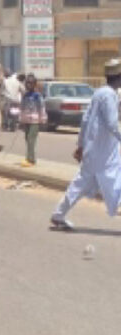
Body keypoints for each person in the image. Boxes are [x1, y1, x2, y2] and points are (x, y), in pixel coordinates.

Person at [50, 59, 121, 230]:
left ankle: (58, 214)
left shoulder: (98, 93)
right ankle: (58, 215)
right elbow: (112, 123)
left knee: (80, 184)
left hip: (94, 150)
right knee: (115, 182)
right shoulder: (110, 95)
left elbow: (85, 120)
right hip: (104, 152)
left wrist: (81, 144)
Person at [19, 75, 47, 168]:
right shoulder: (25, 96)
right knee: (27, 139)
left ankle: (30, 159)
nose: (28, 85)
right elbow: (22, 108)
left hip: (35, 121)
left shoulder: (37, 96)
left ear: (34, 84)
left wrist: (42, 119)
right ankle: (31, 157)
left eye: (31, 83)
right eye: (27, 83)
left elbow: (41, 108)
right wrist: (21, 120)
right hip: (26, 120)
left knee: (31, 139)